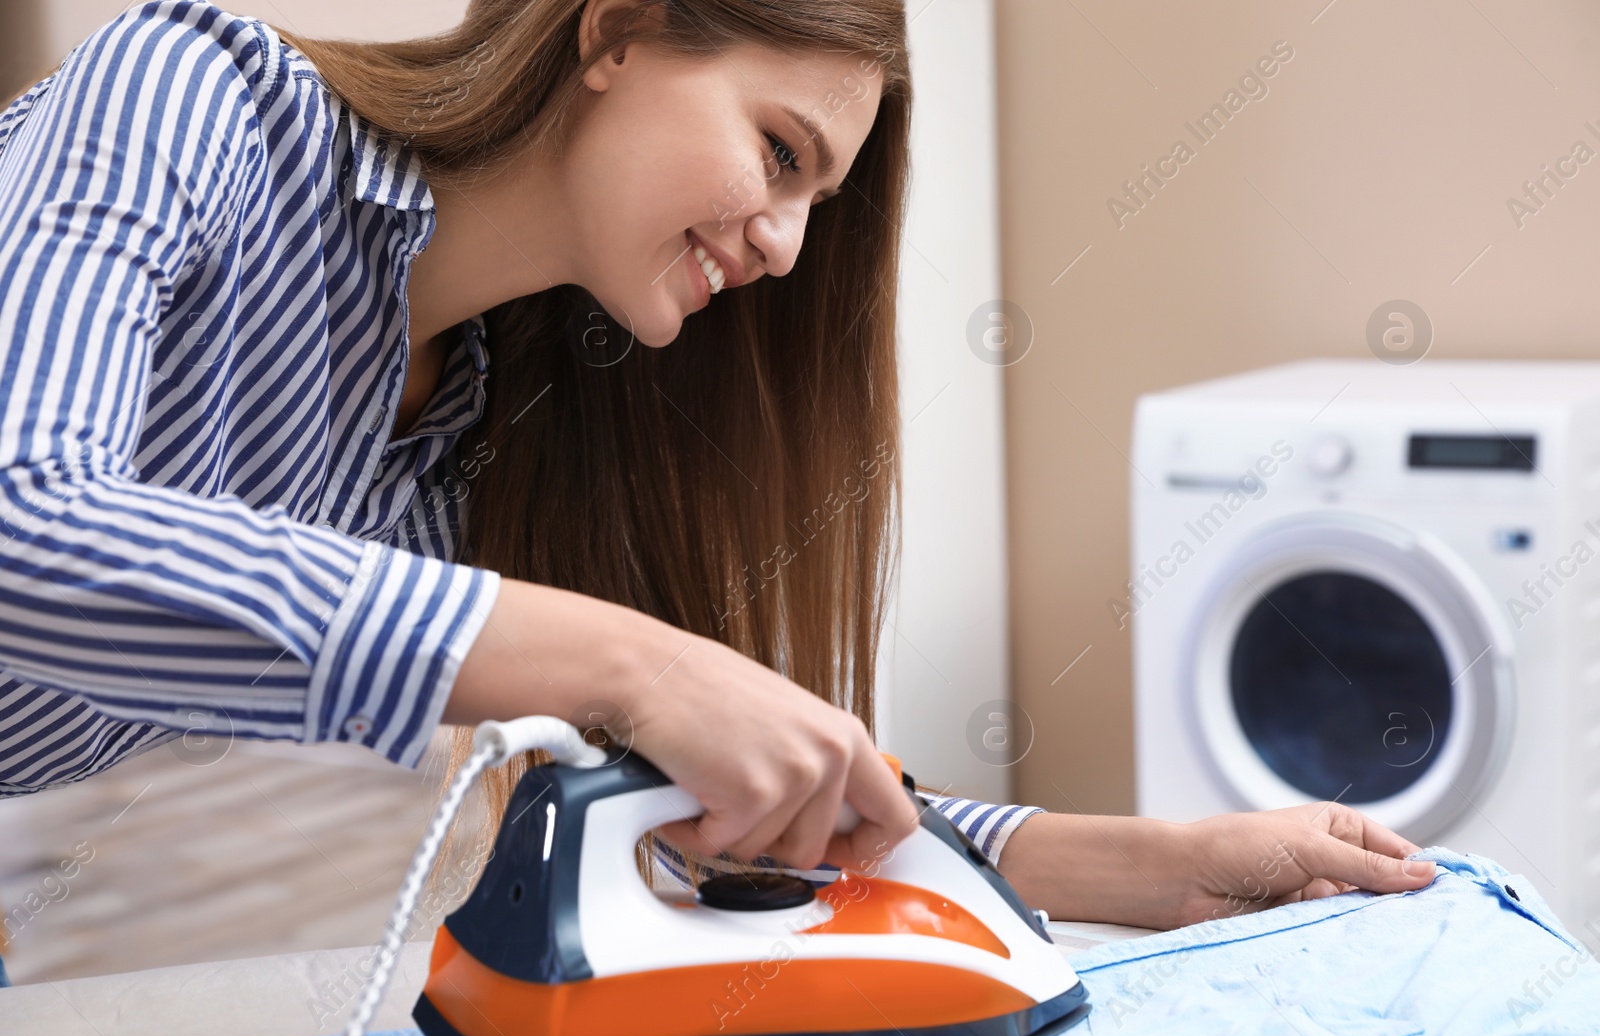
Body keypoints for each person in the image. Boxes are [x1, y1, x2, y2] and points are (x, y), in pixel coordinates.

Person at [0, 0, 1436, 973]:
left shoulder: (480, 433)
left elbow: (736, 782)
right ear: (617, 31)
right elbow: (23, 525)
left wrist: (1134, 864)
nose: (790, 247)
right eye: (779, 153)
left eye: (818, 197)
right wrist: (636, 662)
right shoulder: (188, 97)